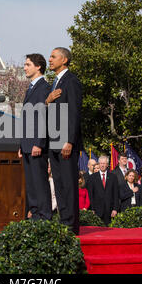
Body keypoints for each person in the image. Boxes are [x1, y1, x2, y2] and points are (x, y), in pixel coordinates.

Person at [46, 47, 83, 235]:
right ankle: (63, 221)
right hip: (54, 140)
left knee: (68, 184)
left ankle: (71, 226)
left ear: (65, 60)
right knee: (59, 184)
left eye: (53, 57)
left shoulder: (72, 81)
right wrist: (47, 100)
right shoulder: (54, 83)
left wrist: (70, 141)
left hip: (65, 142)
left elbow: (74, 114)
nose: (50, 59)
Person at [18, 53, 52, 221]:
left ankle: (44, 216)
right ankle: (35, 214)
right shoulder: (30, 88)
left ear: (38, 66)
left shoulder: (44, 88)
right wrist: (21, 144)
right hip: (27, 144)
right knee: (31, 183)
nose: (25, 67)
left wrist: (39, 143)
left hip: (37, 145)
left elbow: (43, 117)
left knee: (39, 181)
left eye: (28, 64)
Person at [87, 155, 119, 225]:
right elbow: (90, 195)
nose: (102, 165)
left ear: (107, 165)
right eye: (101, 163)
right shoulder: (92, 178)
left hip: (110, 211)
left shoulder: (113, 177)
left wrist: (115, 209)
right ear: (98, 164)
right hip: (96, 211)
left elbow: (116, 194)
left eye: (104, 163)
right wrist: (92, 209)